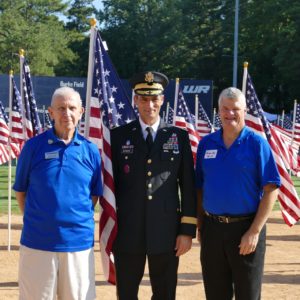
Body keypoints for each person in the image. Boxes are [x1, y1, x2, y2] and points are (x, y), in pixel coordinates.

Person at [111, 71, 197, 300]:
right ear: (135, 100)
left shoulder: (179, 137)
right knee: (126, 294)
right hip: (128, 231)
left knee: (165, 293)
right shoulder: (118, 137)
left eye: (154, 98)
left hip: (167, 232)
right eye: (144, 98)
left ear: (162, 99)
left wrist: (186, 231)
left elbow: (188, 185)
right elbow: (112, 185)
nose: (150, 104)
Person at [13, 87, 102, 300]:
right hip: (38, 243)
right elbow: (21, 192)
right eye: (61, 108)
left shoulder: (90, 150)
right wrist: (42, 222)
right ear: (51, 113)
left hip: (78, 244)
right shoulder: (33, 147)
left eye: (72, 108)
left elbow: (93, 196)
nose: (67, 113)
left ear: (81, 111)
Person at [196, 87, 281, 300]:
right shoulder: (207, 144)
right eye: (225, 109)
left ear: (244, 111)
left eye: (236, 109)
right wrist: (200, 225)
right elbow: (199, 187)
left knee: (248, 295)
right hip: (212, 230)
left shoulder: (256, 144)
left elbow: (271, 188)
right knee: (215, 294)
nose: (230, 114)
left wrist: (254, 231)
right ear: (218, 110)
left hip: (246, 229)